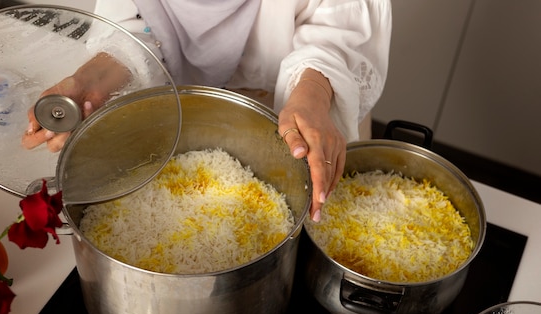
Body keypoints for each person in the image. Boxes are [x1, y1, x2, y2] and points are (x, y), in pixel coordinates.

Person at [22, 0, 392, 222]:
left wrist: (313, 91)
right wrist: (94, 79)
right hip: (175, 112)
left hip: (308, 107)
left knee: (314, 218)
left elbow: (342, 20)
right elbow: (138, 18)